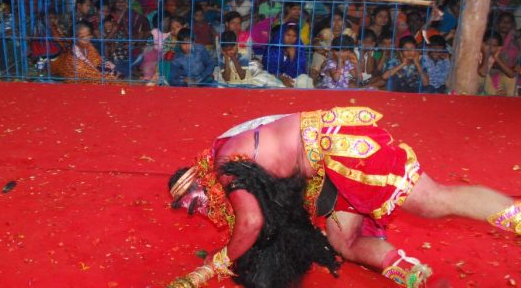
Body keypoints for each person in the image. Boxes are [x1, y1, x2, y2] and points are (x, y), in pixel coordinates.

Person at [167, 107, 520, 287]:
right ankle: (413, 273)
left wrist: (211, 267)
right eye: (187, 208)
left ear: (199, 176)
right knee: (343, 241)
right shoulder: (228, 154)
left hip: (342, 150)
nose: (195, 208)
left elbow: (251, 222)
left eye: (190, 198)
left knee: (434, 201)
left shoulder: (225, 165)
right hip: (329, 174)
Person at [49, 21, 119, 83]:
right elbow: (92, 76)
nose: (86, 39)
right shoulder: (73, 61)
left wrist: (110, 71)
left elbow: (97, 61)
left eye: (88, 35)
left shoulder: (89, 46)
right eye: (82, 37)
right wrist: (111, 76)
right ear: (74, 38)